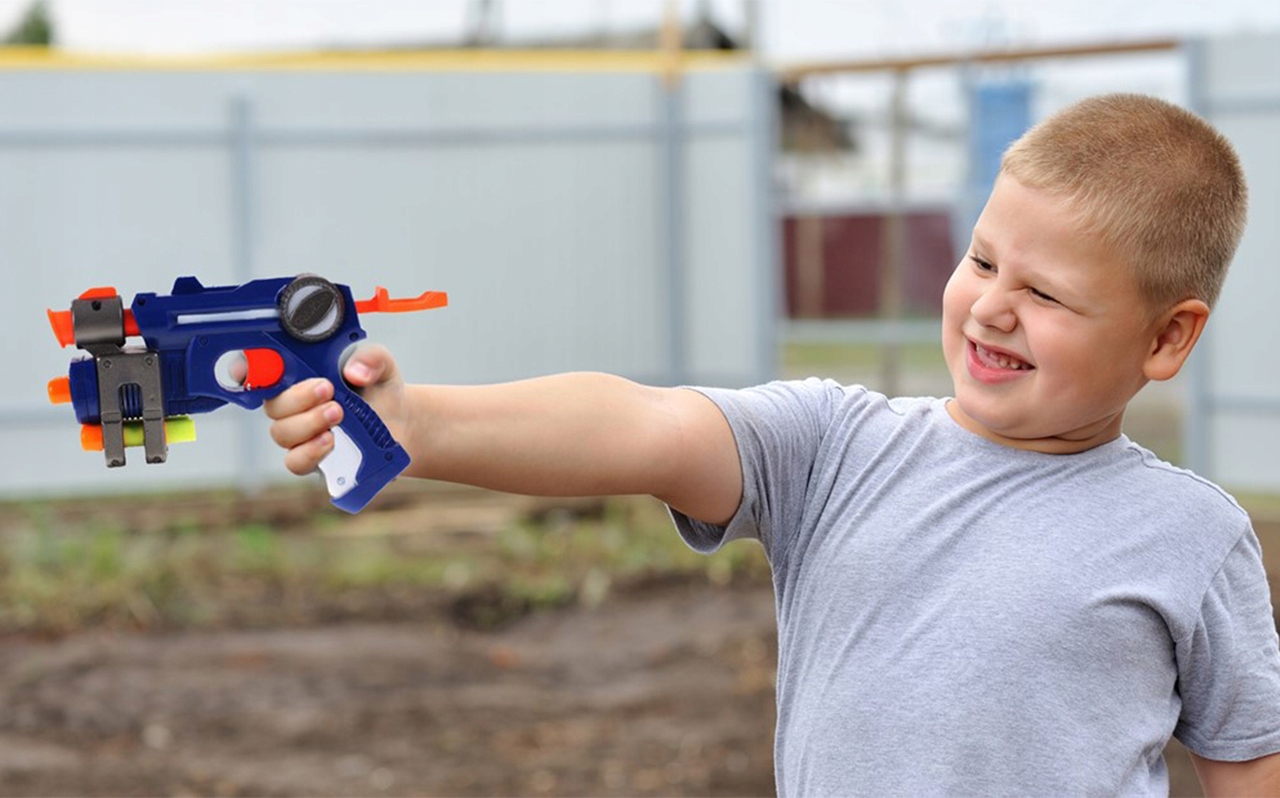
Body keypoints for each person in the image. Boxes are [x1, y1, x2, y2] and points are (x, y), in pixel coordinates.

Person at [263, 94, 1280, 795]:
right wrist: (418, 422)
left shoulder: (1189, 536)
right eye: (979, 260)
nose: (991, 308)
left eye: (1047, 294)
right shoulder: (835, 448)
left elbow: (1247, 766)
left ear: (1164, 337)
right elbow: (639, 426)